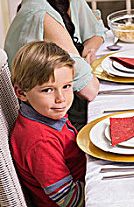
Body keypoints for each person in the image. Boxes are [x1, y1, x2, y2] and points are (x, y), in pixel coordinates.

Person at [4, 0, 106, 128]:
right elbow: (90, 89)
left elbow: (97, 31)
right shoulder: (42, 15)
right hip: (41, 127)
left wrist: (88, 48)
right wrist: (83, 63)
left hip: (57, 112)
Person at [10, 41, 86, 206]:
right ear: (21, 93)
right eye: (48, 90)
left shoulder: (47, 115)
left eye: (66, 86)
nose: (61, 98)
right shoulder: (40, 141)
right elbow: (68, 199)